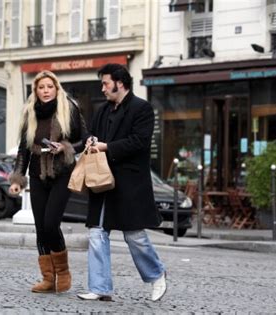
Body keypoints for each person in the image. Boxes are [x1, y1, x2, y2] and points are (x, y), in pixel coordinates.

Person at [77, 64, 167, 302]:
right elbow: (88, 134)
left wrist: (107, 146)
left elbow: (139, 142)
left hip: (130, 183)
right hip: (101, 181)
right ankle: (100, 287)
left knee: (134, 236)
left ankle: (157, 274)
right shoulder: (101, 110)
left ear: (120, 82)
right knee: (97, 233)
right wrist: (90, 140)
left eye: (106, 83)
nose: (103, 88)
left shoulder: (143, 108)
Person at [9, 70, 87, 294]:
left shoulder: (68, 108)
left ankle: (63, 272)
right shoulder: (30, 113)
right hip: (37, 172)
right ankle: (47, 278)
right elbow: (23, 150)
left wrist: (65, 146)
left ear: (56, 88)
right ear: (36, 90)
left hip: (62, 171)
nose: (45, 91)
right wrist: (17, 179)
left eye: (49, 87)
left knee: (51, 223)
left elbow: (85, 138)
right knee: (41, 228)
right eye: (41, 87)